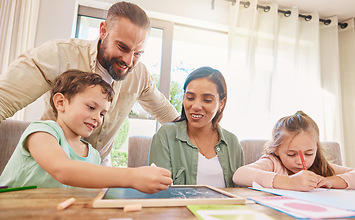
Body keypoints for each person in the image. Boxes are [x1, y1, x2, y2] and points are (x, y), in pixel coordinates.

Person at [0, 2, 179, 165]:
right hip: (48, 165)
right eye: (122, 47)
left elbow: (171, 118)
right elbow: (3, 100)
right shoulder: (59, 54)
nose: (128, 60)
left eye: (138, 53)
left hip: (97, 166)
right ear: (103, 30)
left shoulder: (140, 75)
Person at [0, 70, 172, 193]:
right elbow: (63, 170)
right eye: (91, 107)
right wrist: (133, 176)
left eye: (103, 113)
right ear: (61, 102)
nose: (97, 118)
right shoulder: (42, 132)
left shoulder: (94, 156)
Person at [148, 67, 244, 187]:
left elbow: (240, 193)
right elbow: (158, 191)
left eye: (207, 100)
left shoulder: (232, 142)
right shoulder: (166, 135)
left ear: (221, 103)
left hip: (224, 207)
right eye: (190, 98)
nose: (196, 106)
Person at [233, 111, 355, 191]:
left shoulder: (320, 166)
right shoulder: (272, 163)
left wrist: (331, 181)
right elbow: (239, 174)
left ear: (316, 149)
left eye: (309, 153)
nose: (301, 160)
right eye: (291, 154)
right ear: (276, 149)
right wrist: (290, 182)